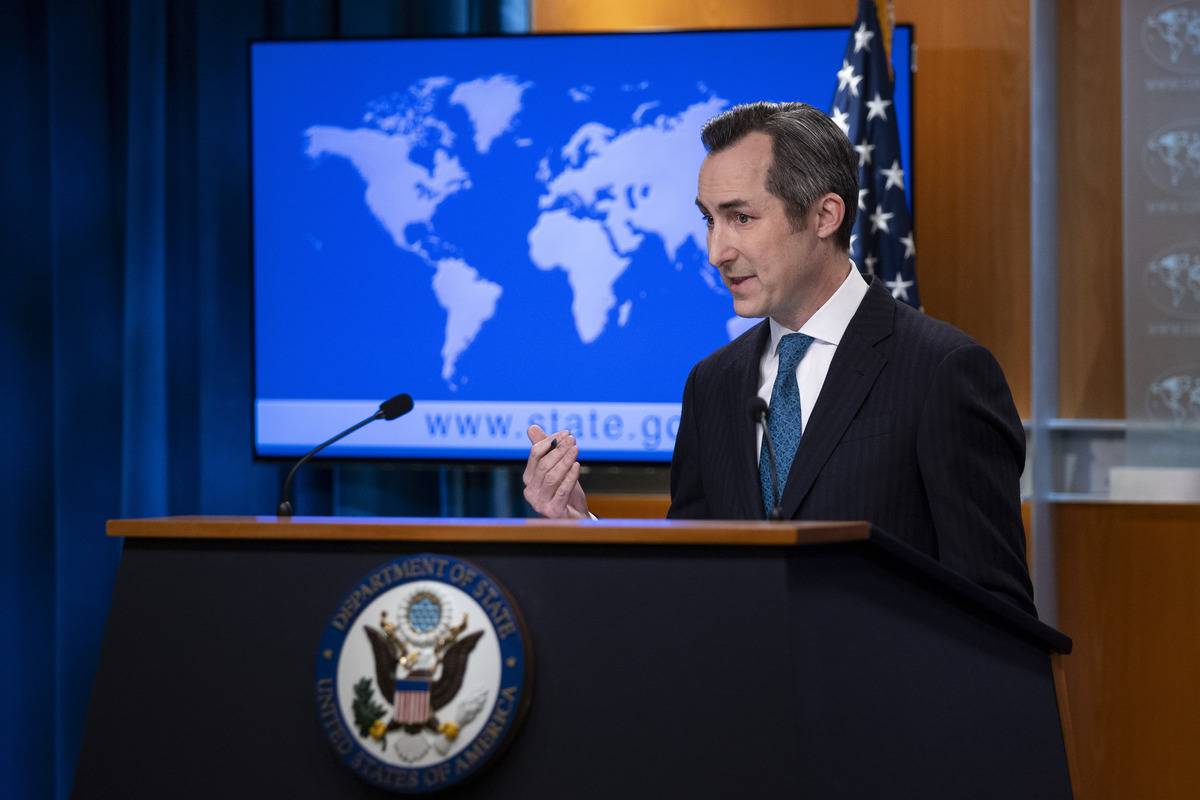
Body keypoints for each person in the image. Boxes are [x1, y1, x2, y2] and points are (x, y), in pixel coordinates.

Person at [522, 102, 1035, 615]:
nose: (716, 251)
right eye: (709, 220)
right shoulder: (713, 384)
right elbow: (689, 586)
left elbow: (997, 612)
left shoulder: (942, 371)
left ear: (824, 215)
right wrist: (582, 526)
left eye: (740, 218)